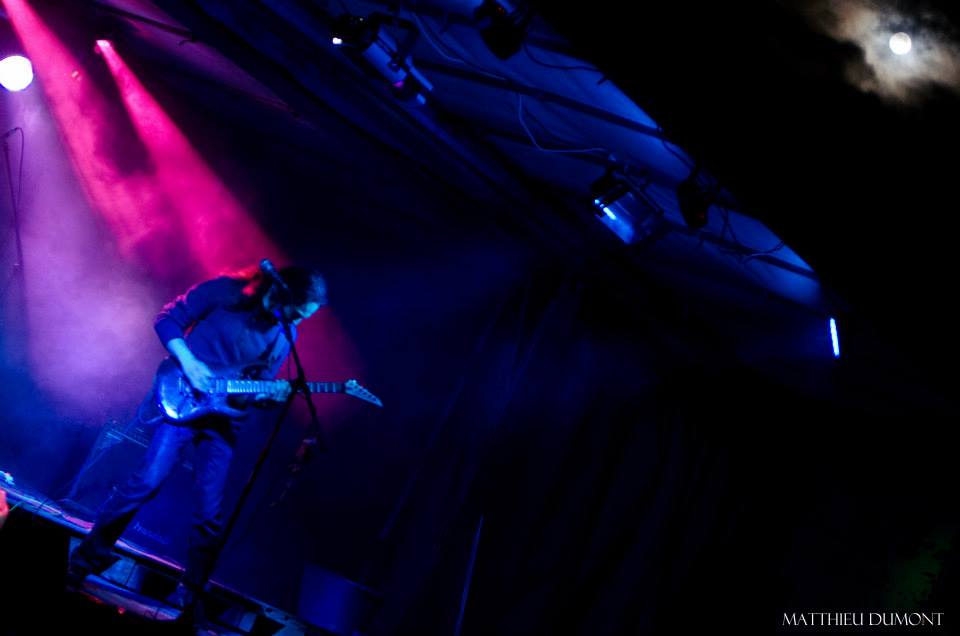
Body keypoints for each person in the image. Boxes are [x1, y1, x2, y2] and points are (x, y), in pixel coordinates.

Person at [67, 264, 327, 614]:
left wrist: (270, 395)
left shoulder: (285, 334)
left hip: (223, 420)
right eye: (297, 312)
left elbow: (256, 385)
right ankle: (83, 561)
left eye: (304, 318)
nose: (297, 321)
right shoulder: (227, 291)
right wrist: (189, 363)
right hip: (182, 397)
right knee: (146, 482)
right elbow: (167, 319)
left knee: (210, 511)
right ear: (282, 292)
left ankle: (190, 599)